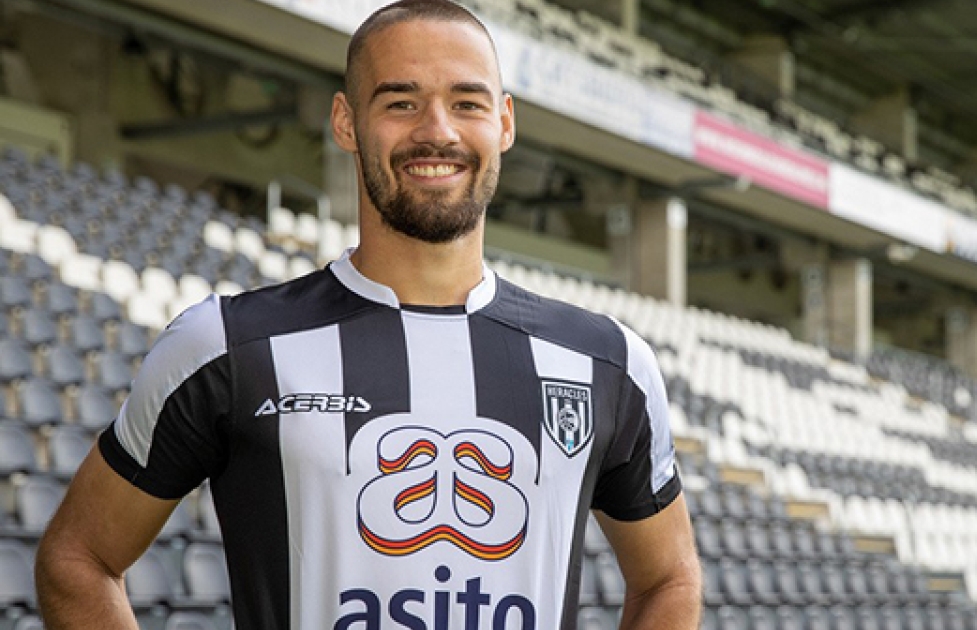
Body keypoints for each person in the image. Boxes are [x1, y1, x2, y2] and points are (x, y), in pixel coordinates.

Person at [34, 1, 702, 628]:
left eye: (466, 103)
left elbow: (670, 580)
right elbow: (77, 560)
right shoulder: (226, 346)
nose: (437, 131)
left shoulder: (608, 363)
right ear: (346, 121)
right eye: (401, 102)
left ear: (504, 123)